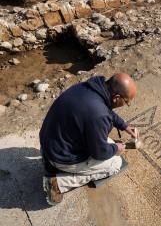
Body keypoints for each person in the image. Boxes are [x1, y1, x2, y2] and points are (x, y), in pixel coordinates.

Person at [40, 73, 137, 205]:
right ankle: (58, 183)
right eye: (127, 102)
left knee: (106, 141)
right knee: (115, 164)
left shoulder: (91, 88)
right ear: (117, 97)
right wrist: (115, 149)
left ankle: (50, 162)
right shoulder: (98, 114)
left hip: (50, 141)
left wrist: (124, 126)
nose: (126, 104)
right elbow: (99, 153)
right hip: (61, 155)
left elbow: (106, 110)